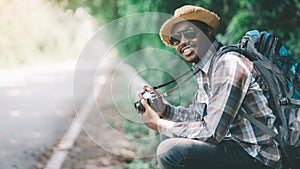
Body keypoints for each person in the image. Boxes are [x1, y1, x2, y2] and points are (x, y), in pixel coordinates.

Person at [138, 5, 281, 169]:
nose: (182, 42)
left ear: (208, 31)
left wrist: (158, 124)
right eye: (176, 39)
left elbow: (212, 133)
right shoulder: (206, 69)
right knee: (168, 138)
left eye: (190, 33)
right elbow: (197, 116)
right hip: (235, 146)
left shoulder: (228, 65)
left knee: (169, 151)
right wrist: (163, 110)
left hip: (259, 156)